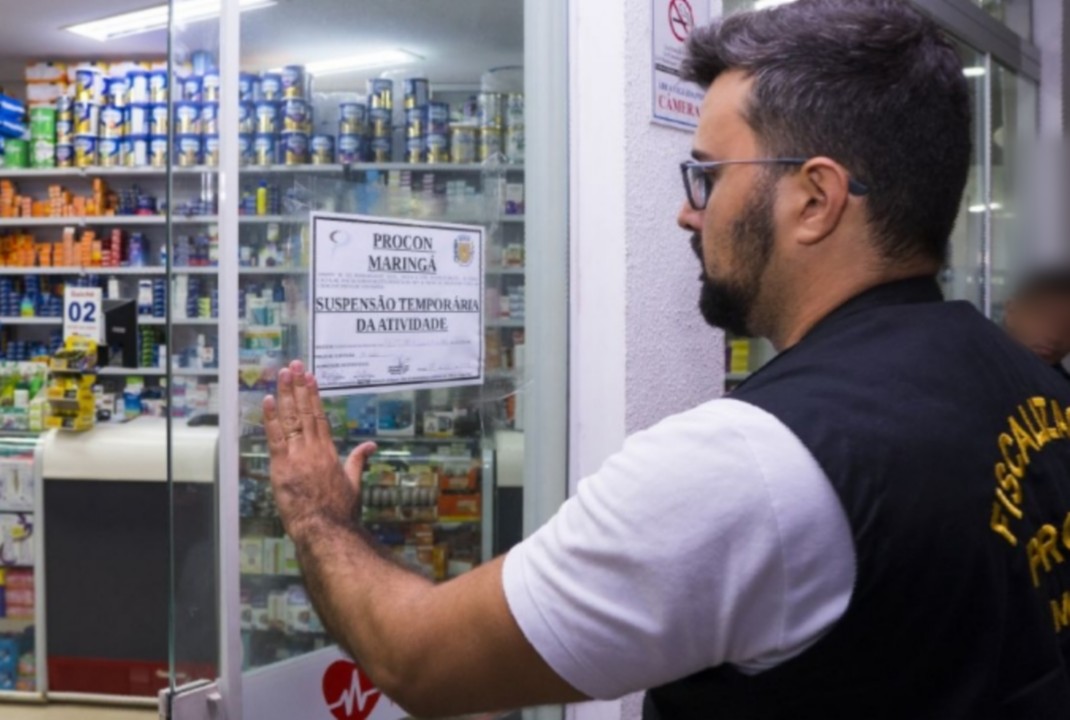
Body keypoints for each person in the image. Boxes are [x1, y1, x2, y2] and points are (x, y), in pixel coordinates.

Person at [262, 1, 1070, 717]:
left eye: (708, 176)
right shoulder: (1026, 378)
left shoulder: (753, 465)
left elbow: (419, 660)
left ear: (815, 200)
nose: (689, 211)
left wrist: (316, 514)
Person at [1005, 269, 1070, 382]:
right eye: (1044, 319)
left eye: (1066, 328)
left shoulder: (1063, 391)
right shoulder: (971, 372)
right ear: (1012, 312)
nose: (1053, 336)